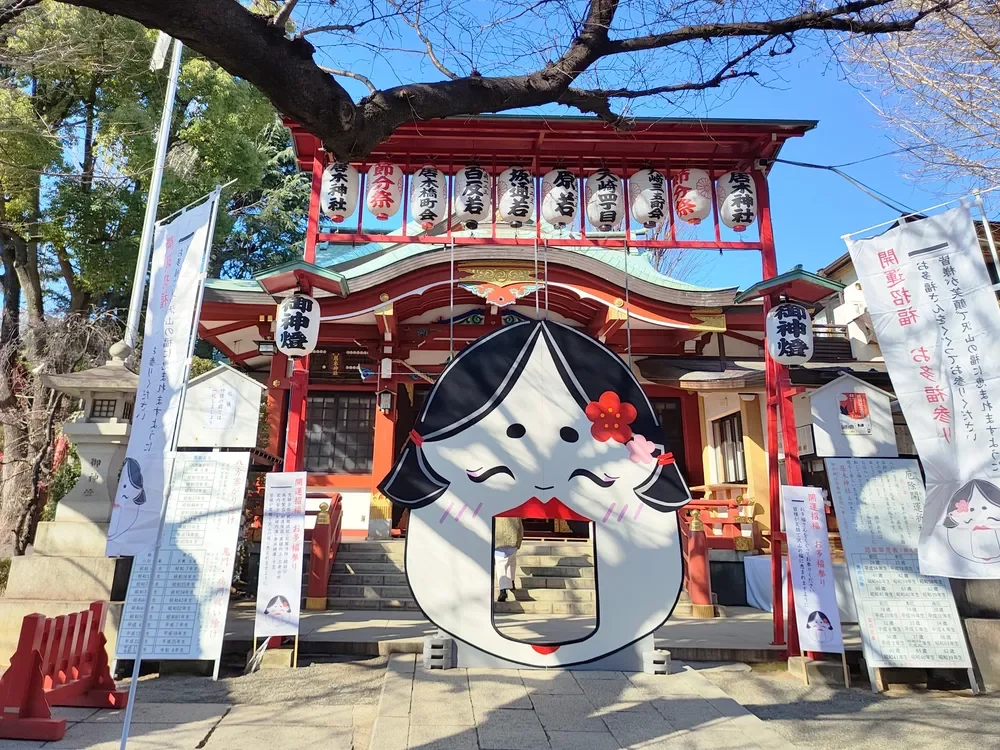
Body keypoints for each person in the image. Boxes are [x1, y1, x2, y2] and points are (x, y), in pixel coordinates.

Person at [494, 516, 524, 602]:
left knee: (501, 564)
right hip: (513, 534)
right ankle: (511, 581)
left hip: (499, 535)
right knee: (511, 561)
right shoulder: (513, 506)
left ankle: (503, 589)